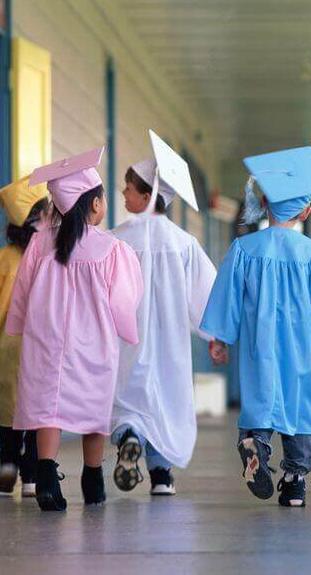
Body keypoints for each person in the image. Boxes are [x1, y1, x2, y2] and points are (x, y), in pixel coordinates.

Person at [200, 146, 311, 508]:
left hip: (260, 345)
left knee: (261, 397)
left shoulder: (244, 249)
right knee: (300, 405)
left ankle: (256, 443)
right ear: (305, 211)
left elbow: (226, 295)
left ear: (264, 203)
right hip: (300, 348)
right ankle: (295, 481)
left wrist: (221, 338)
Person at [5, 148, 143, 511]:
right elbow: (124, 300)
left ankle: (46, 474)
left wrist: (18, 324)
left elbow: (22, 292)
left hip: (46, 338)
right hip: (94, 341)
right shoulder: (112, 249)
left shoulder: (39, 243)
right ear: (95, 205)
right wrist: (126, 329)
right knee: (94, 406)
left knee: (48, 406)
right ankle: (92, 478)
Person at [110, 149, 216, 496]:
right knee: (165, 401)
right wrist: (215, 336)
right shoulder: (184, 243)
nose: (123, 192)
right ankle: (161, 476)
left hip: (125, 337)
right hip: (170, 340)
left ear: (146, 196)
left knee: (127, 398)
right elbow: (207, 293)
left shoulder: (114, 239)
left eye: (128, 188)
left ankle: (129, 437)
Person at [0, 176, 49, 497]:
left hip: (6, 348)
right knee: (37, 413)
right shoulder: (52, 258)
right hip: (44, 347)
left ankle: (8, 462)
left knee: (9, 411)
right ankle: (32, 476)